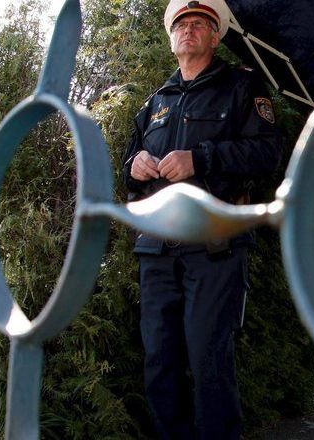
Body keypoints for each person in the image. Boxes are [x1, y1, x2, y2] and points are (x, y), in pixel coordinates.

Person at [121, 1, 281, 438]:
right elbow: (127, 171)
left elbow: (268, 152)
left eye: (199, 24)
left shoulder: (242, 87)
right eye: (181, 24)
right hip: (156, 249)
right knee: (159, 361)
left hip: (214, 248)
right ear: (171, 39)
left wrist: (200, 159)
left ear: (216, 36)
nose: (188, 30)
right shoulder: (154, 102)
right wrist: (133, 165)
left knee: (209, 360)